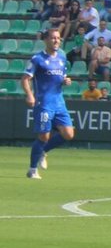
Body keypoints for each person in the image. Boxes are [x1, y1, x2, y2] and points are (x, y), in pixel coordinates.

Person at [22, 28, 75, 179]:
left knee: (68, 134)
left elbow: (62, 76)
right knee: (43, 136)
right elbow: (25, 79)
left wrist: (66, 80)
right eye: (53, 38)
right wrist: (30, 95)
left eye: (58, 38)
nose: (56, 40)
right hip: (44, 103)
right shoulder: (37, 59)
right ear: (46, 40)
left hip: (59, 102)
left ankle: (44, 151)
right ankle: (32, 170)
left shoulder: (62, 56)